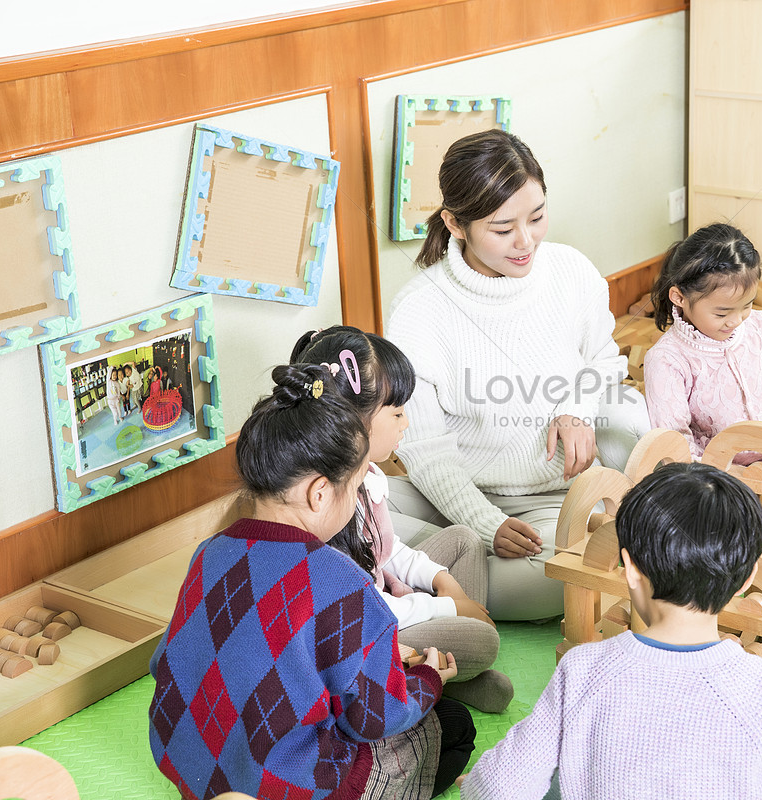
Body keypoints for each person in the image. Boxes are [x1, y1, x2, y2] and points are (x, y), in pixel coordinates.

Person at [462, 462, 762, 800]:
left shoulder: (581, 669)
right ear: (745, 581)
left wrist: (473, 783)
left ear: (629, 570)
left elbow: (498, 786)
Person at [148, 363, 475, 800]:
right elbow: (372, 718)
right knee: (455, 725)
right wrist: (428, 681)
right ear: (319, 493)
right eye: (357, 485)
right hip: (291, 784)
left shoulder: (208, 553)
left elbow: (165, 663)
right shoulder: (340, 579)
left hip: (191, 767)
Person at [386, 129, 649, 621]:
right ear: (455, 224)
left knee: (588, 560)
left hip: (556, 499)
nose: (526, 241)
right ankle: (434, 577)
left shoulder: (571, 271)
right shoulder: (418, 312)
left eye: (537, 216)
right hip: (458, 497)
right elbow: (424, 450)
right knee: (355, 506)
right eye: (503, 229)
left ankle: (419, 585)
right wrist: (486, 524)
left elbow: (604, 361)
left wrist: (575, 409)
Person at [291, 326, 515, 713]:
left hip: (385, 601)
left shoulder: (369, 475)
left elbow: (385, 548)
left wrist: (446, 585)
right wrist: (450, 608)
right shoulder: (324, 502)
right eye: (396, 412)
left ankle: (443, 669)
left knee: (465, 540)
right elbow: (360, 611)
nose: (405, 423)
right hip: (362, 632)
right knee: (485, 641)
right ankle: (438, 670)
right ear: (352, 421)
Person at [643, 222, 762, 470]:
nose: (737, 320)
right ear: (679, 297)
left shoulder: (761, 327)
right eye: (722, 314)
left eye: (747, 305)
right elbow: (676, 444)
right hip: (717, 481)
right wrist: (730, 477)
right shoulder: (667, 360)